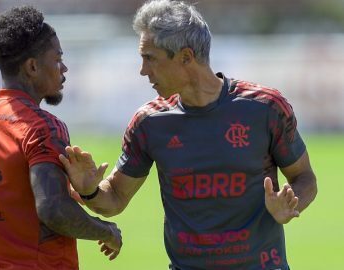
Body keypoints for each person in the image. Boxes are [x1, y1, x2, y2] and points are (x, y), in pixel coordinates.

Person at [58, 0, 318, 269]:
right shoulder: (149, 122)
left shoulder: (265, 107)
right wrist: (89, 191)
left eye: (150, 58)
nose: (142, 70)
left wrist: (291, 201)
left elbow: (305, 177)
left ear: (185, 57)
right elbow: (115, 197)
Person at [0, 6, 121, 270]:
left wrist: (16, 213)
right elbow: (52, 210)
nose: (64, 67)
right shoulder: (43, 127)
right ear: (33, 66)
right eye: (57, 58)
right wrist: (106, 231)